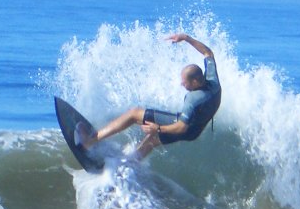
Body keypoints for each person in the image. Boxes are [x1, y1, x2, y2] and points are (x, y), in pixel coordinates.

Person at [76, 33, 221, 159]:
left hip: (185, 127)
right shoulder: (213, 81)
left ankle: (90, 141)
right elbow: (208, 52)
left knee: (134, 114)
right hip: (196, 130)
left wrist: (159, 128)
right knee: (152, 140)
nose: (181, 84)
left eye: (185, 82)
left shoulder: (193, 99)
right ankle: (129, 165)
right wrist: (187, 38)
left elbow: (181, 127)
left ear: (195, 82)